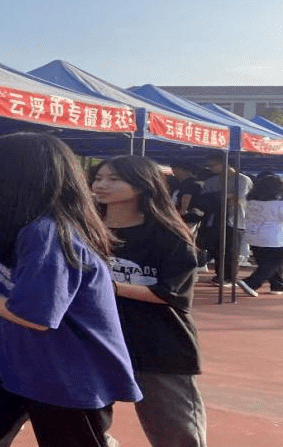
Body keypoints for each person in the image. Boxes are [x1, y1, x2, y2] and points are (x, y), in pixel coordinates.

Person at [0, 132, 141, 447]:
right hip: (11, 360)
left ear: (19, 172)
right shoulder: (30, 226)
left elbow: (36, 315)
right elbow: (28, 281)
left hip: (63, 374)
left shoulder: (48, 232)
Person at [91, 156, 206, 446]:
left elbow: (171, 293)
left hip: (158, 346)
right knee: (80, 426)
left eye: (114, 179)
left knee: (176, 434)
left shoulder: (169, 235)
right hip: (96, 342)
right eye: (99, 177)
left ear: (142, 185)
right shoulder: (85, 229)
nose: (101, 185)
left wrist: (107, 285)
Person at [199, 152, 252, 284]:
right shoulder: (211, 181)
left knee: (232, 251)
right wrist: (226, 197)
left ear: (224, 164)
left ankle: (229, 277)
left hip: (236, 220)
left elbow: (238, 200)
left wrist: (218, 197)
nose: (210, 169)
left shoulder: (242, 180)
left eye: (212, 165)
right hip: (214, 220)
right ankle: (220, 275)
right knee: (217, 250)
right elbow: (204, 200)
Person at [238, 173, 283, 295]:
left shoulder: (252, 201)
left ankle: (278, 285)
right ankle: (251, 283)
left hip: (254, 236)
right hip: (273, 238)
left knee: (266, 263)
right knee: (273, 263)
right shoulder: (278, 204)